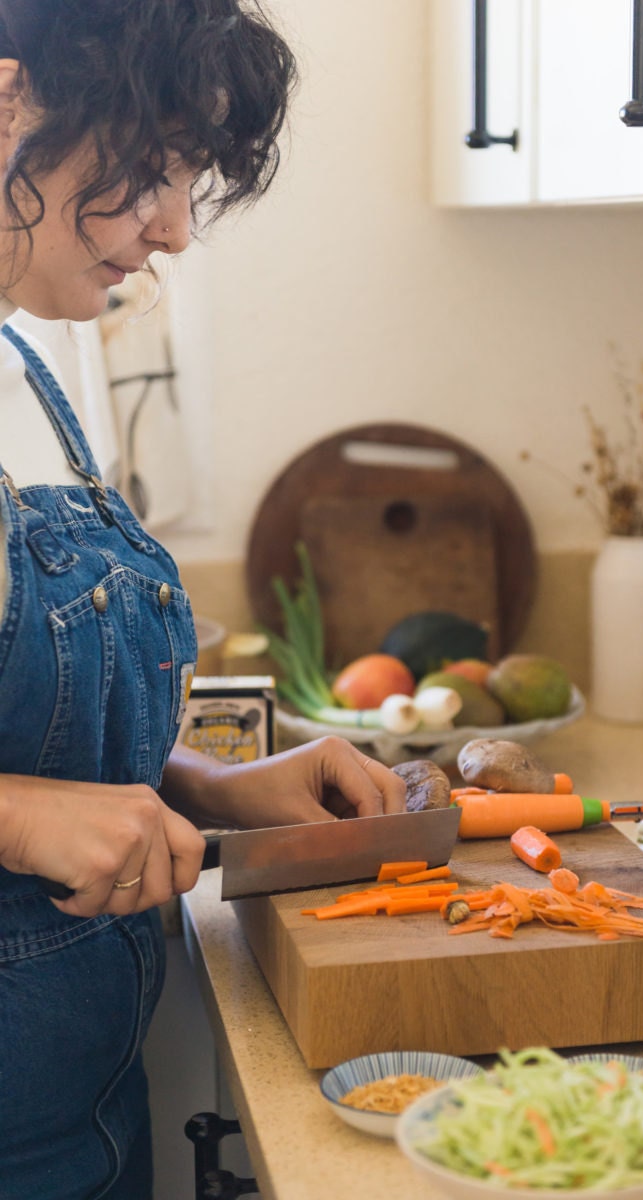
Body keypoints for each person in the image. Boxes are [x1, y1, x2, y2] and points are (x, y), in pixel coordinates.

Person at [0, 2, 406, 1196]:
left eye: (185, 179)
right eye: (146, 170)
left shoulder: (27, 362)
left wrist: (214, 786)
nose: (174, 226)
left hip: (78, 1114)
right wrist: (18, 819)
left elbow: (33, 721)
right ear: (6, 101)